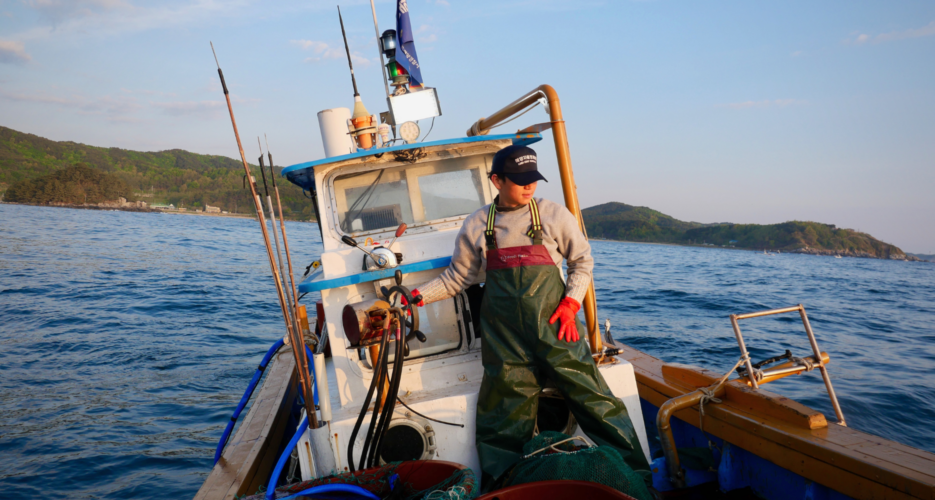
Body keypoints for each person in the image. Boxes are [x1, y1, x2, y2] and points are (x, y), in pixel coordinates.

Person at [407, 145, 649, 486]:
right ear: (497, 180)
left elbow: (582, 262)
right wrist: (416, 296)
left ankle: (637, 477)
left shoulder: (552, 215)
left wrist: (570, 305)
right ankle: (503, 485)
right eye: (520, 180)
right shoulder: (478, 224)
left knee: (593, 399)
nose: (529, 186)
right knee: (502, 414)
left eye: (533, 179)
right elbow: (458, 278)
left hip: (557, 329)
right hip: (505, 340)